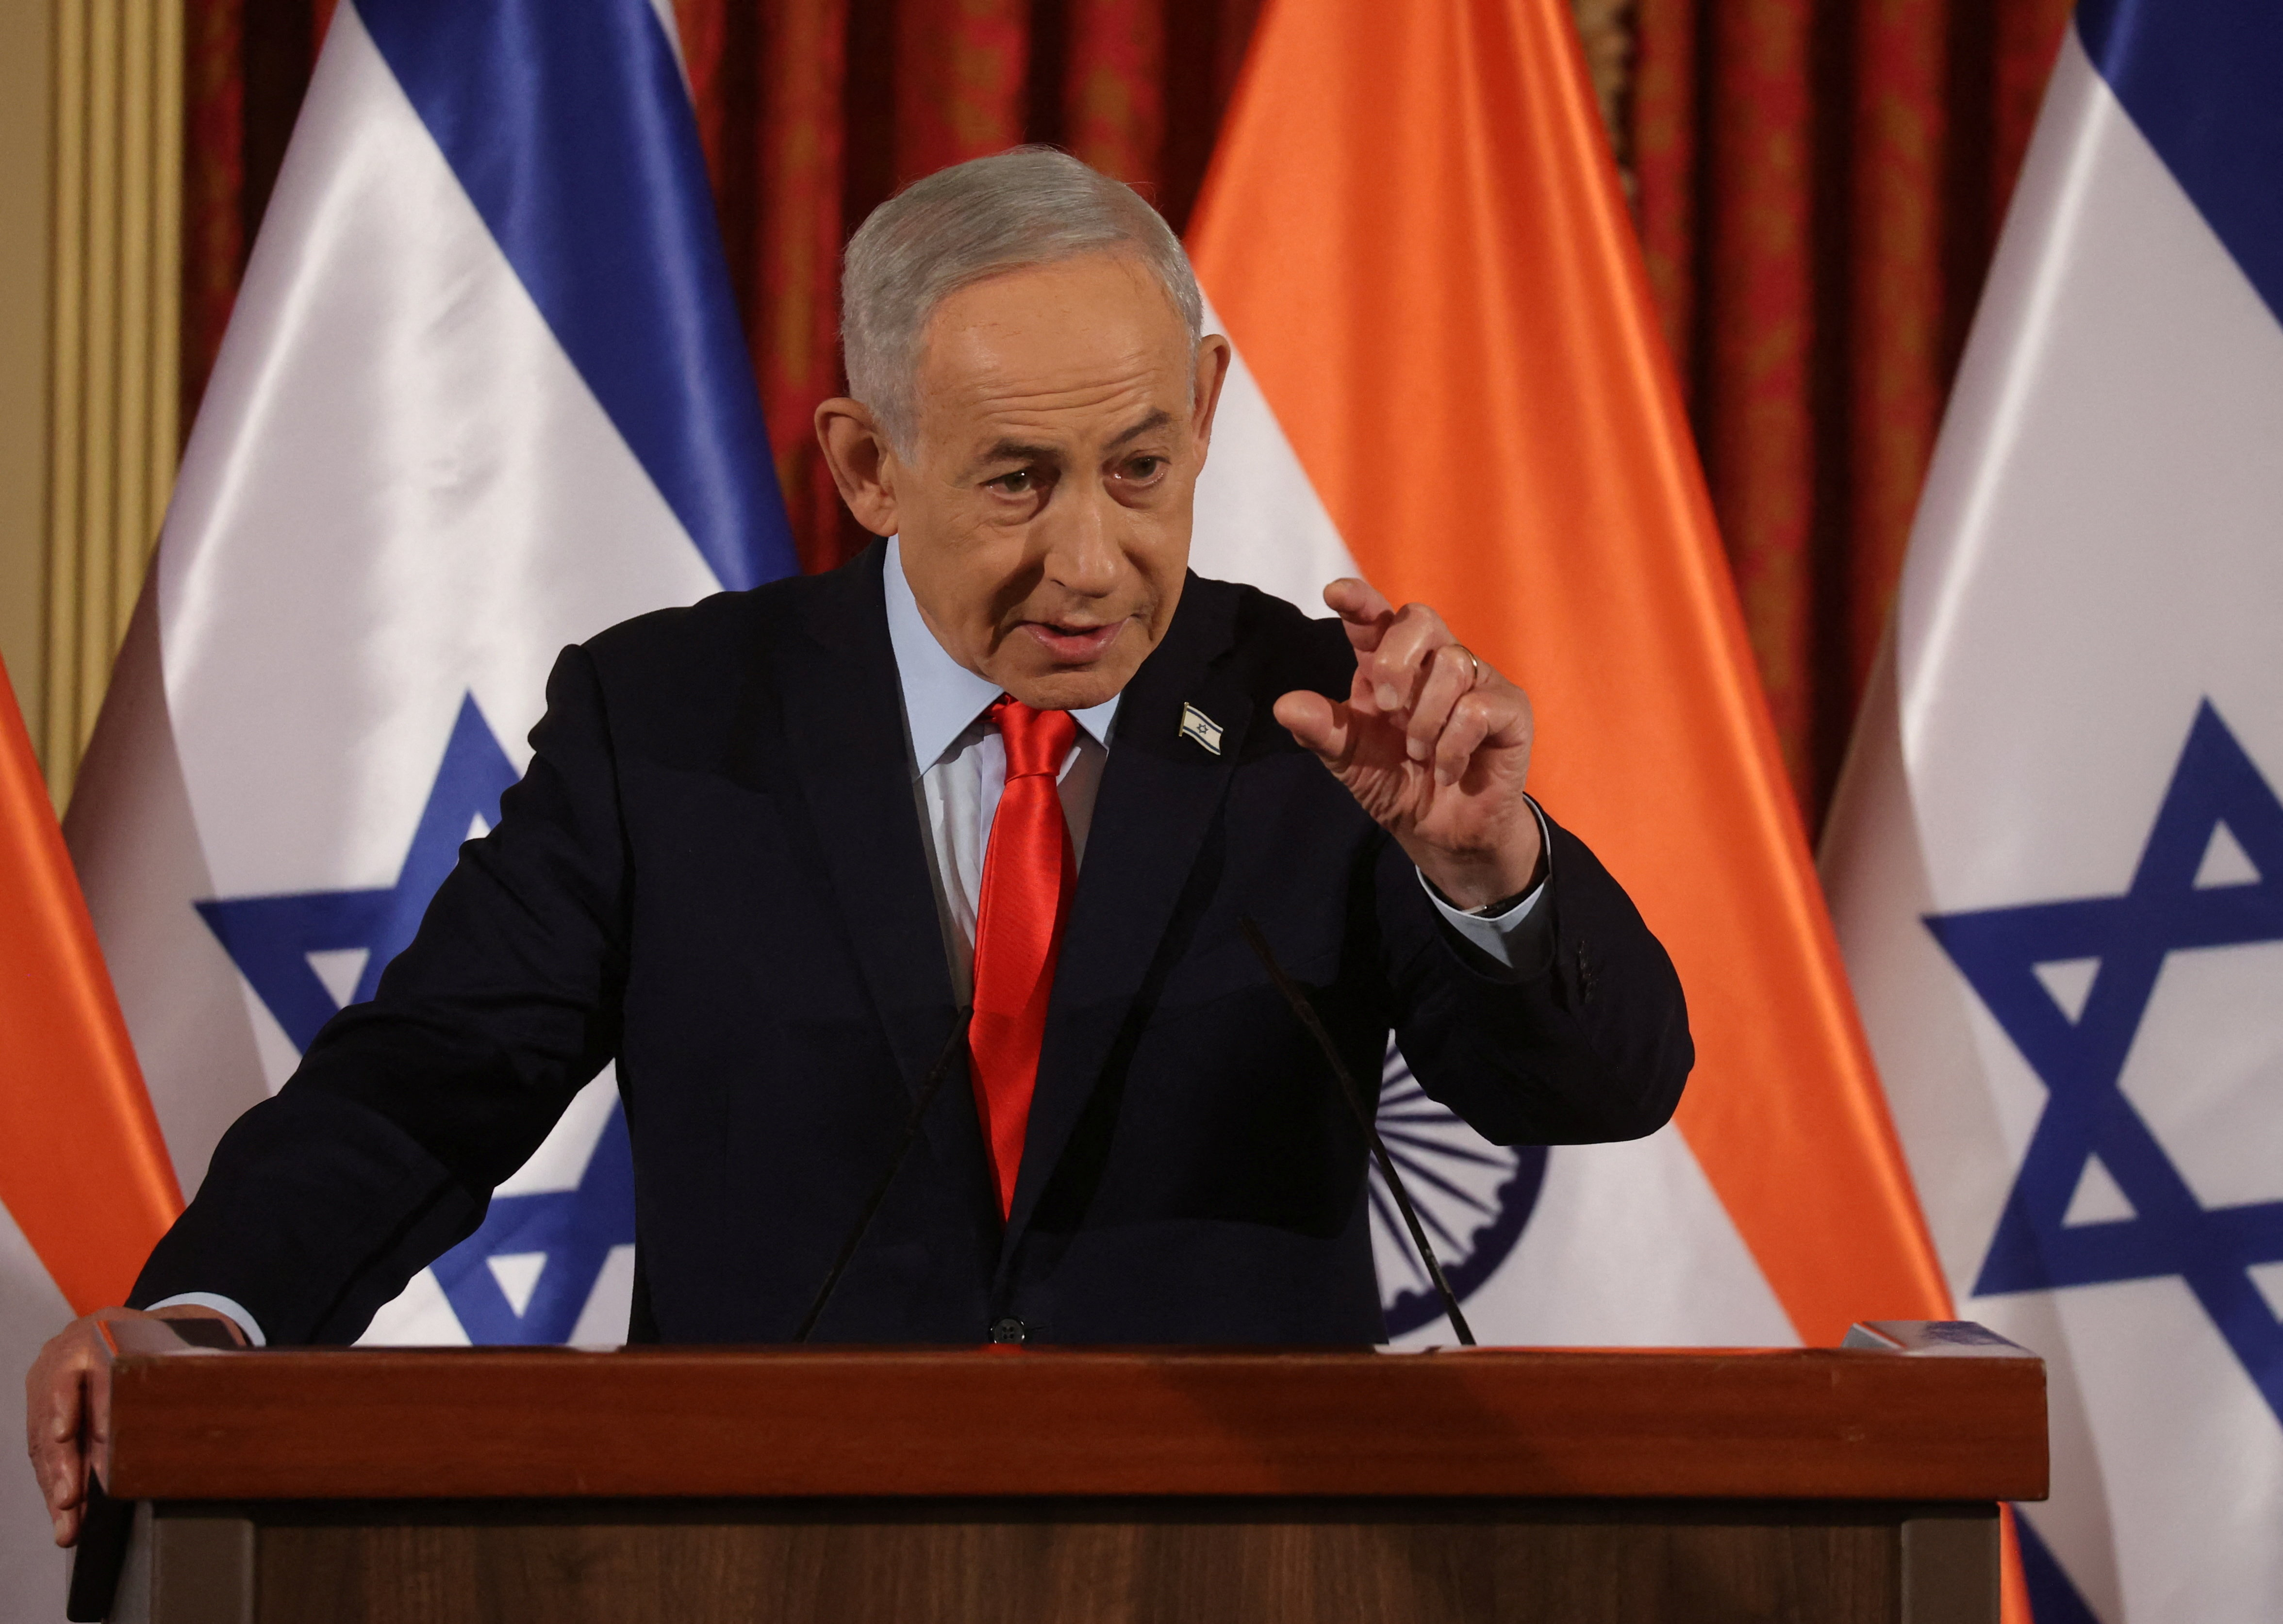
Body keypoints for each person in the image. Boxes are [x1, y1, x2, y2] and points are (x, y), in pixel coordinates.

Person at [28, 148, 1690, 1545]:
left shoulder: (1332, 727)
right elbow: (425, 1083)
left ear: (1206, 406)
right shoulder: (670, 722)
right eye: (1018, 483)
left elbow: (1608, 1086)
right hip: (765, 1556)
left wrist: (1492, 874)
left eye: (1141, 469)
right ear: (869, 464)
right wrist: (204, 1324)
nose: (1093, 561)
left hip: (1231, 1561)